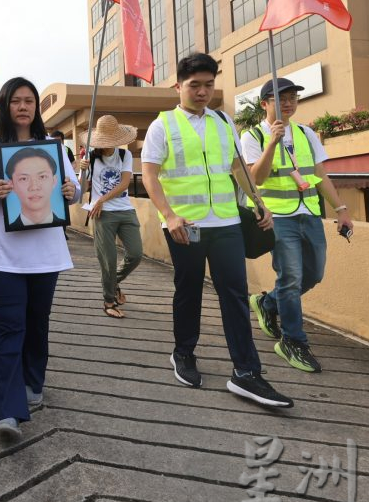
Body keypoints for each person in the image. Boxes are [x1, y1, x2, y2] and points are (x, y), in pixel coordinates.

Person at [140, 52, 294, 409]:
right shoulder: (162, 125)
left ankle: (246, 371)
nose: (202, 92)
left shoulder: (225, 122)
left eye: (209, 85)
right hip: (186, 225)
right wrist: (170, 215)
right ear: (178, 86)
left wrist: (258, 202)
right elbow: (149, 175)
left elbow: (238, 169)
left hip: (226, 222)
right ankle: (183, 353)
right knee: (188, 290)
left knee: (235, 295)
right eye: (195, 85)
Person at [0, 77, 80, 440]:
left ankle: (33, 382)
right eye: (16, 101)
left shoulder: (55, 149)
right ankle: (6, 411)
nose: (24, 107)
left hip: (45, 255)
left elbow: (73, 194)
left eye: (30, 100)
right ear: (4, 106)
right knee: (9, 327)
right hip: (1, 256)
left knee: (37, 321)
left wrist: (70, 190)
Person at [242, 77, 354, 373]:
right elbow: (257, 178)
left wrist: (341, 210)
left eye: (292, 97)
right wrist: (272, 143)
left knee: (314, 274)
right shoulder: (252, 135)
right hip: (278, 217)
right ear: (264, 104)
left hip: (309, 213)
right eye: (281, 98)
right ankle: (293, 341)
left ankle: (268, 304)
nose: (288, 103)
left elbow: (319, 174)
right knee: (290, 278)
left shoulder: (306, 133)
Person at [77, 114, 143, 319]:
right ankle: (108, 301)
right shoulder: (91, 156)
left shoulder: (125, 156)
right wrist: (82, 171)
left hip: (124, 210)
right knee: (108, 259)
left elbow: (124, 183)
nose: (108, 146)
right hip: (102, 215)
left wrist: (101, 199)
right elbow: (82, 189)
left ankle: (113, 283)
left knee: (135, 254)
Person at [3, 147, 68, 231]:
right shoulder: (10, 229)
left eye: (42, 177)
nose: (34, 187)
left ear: (54, 181)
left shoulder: (61, 227)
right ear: (12, 185)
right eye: (24, 179)